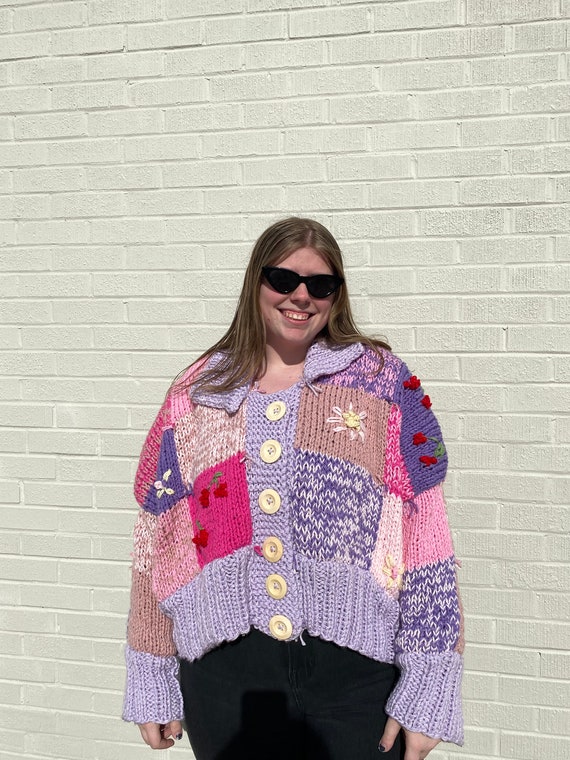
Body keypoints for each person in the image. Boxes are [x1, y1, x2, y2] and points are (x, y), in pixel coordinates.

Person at [122, 217, 464, 760]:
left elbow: (427, 538)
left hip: (356, 679)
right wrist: (152, 672)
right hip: (226, 681)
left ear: (336, 295)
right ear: (255, 283)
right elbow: (157, 541)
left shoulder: (380, 382)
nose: (301, 296)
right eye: (283, 279)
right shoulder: (197, 392)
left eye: (320, 285)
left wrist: (429, 683)